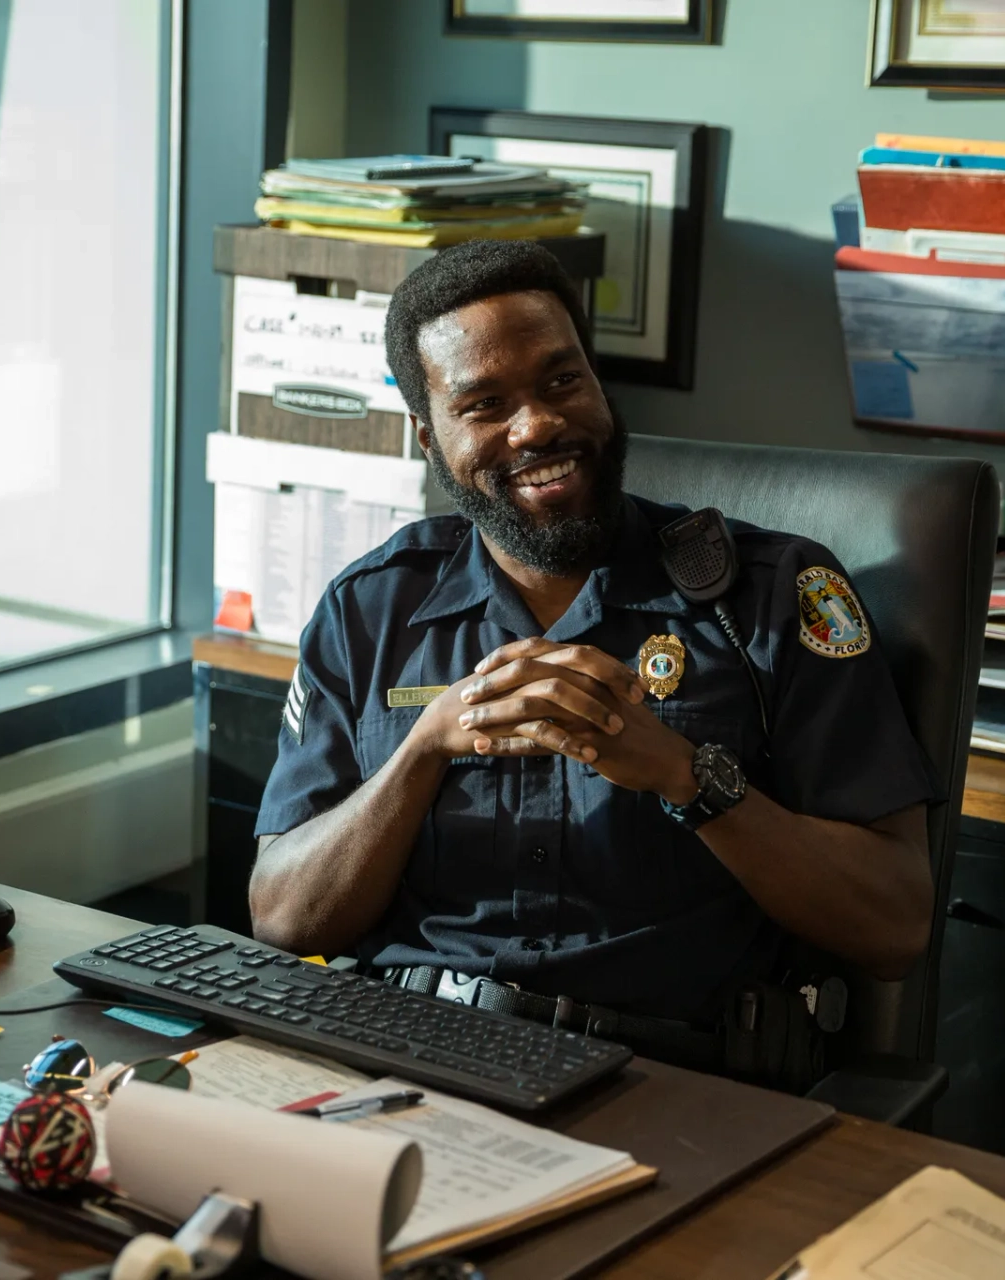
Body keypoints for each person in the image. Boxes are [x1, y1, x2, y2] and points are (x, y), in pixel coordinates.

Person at [247, 239, 936, 1084]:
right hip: (412, 1059)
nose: (536, 424)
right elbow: (282, 918)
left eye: (561, 380)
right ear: (429, 438)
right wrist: (423, 750)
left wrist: (686, 776)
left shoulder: (774, 596)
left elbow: (895, 928)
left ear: (598, 385)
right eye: (487, 403)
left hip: (676, 1081)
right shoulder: (373, 607)